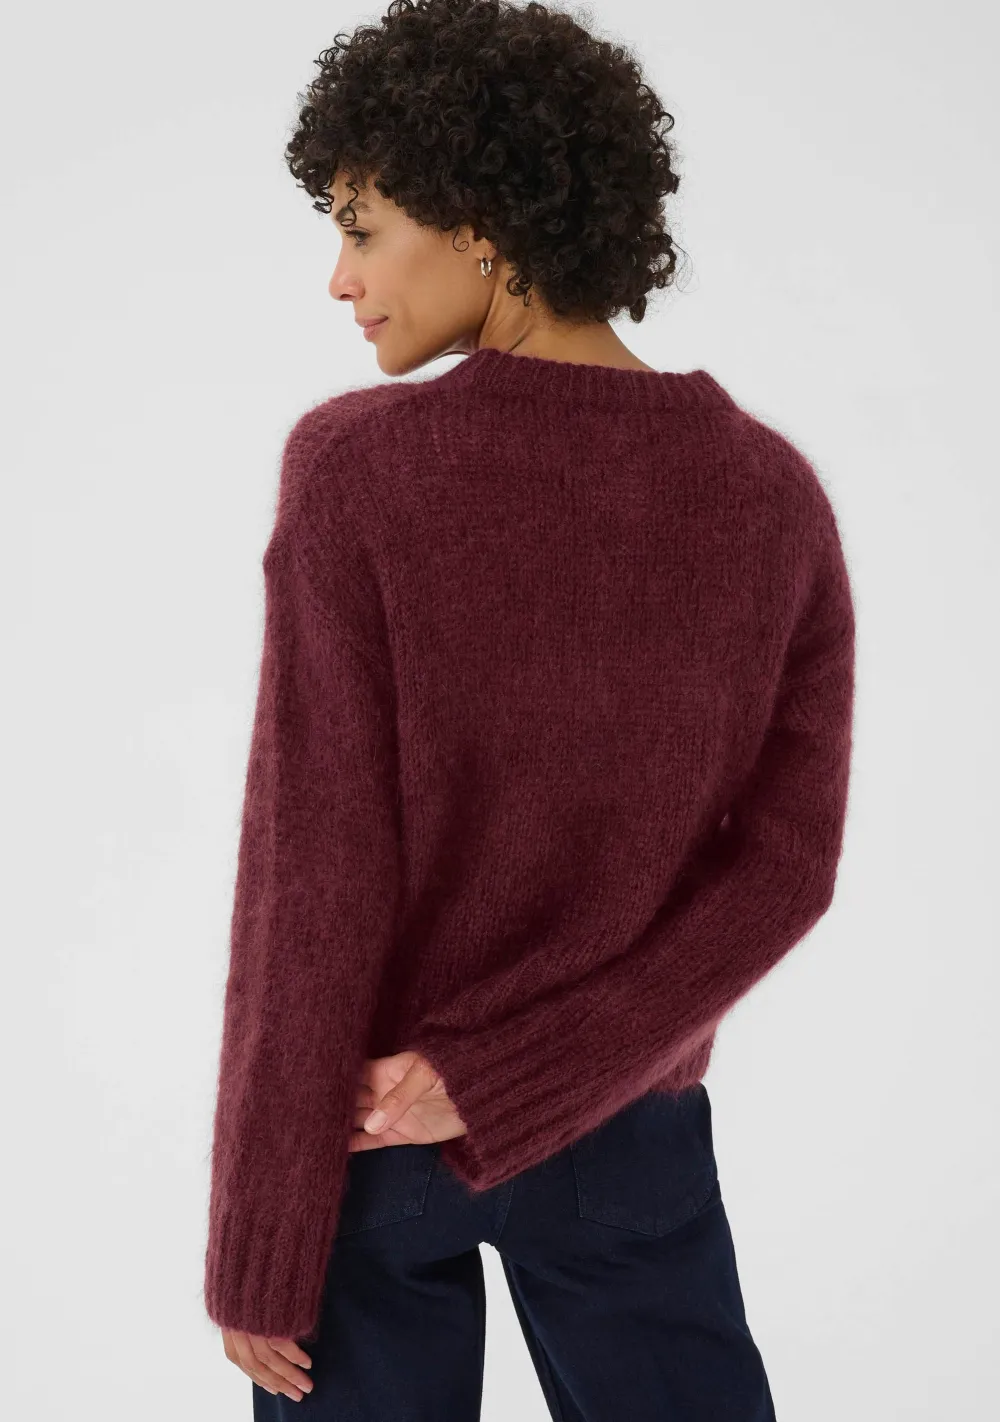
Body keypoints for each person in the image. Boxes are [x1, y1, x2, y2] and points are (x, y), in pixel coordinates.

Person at [203, 1, 856, 1416]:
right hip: (626, 1132)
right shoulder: (772, 496)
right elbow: (784, 873)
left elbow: (314, 877)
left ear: (481, 221)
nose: (338, 277)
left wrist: (260, 1226)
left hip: (369, 1138)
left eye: (363, 228)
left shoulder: (355, 473)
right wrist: (537, 1074)